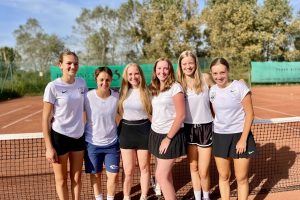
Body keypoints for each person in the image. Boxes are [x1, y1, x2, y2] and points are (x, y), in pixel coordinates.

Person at [209, 58, 256, 200]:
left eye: (222, 72)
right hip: (220, 137)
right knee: (224, 176)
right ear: (211, 74)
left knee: (241, 178)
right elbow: (214, 112)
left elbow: (250, 114)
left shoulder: (240, 87)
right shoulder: (212, 90)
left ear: (228, 71)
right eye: (215, 73)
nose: (219, 76)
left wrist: (242, 140)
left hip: (239, 136)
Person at [42, 50, 87, 200]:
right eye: (68, 63)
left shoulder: (82, 83)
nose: (72, 66)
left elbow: (89, 103)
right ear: (60, 65)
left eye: (75, 63)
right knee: (61, 180)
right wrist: (49, 147)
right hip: (59, 137)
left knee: (76, 179)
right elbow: (45, 119)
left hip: (78, 136)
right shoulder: (52, 87)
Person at [177, 50, 214, 200]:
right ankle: (198, 197)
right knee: (193, 167)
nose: (188, 66)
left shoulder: (206, 79)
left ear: (196, 63)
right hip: (188, 129)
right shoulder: (178, 84)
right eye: (184, 63)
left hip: (206, 128)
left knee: (204, 170)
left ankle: (206, 197)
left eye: (190, 63)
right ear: (180, 66)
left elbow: (218, 98)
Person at [148, 58, 186, 200]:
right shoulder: (153, 87)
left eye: (165, 68)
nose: (162, 72)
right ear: (155, 70)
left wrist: (168, 138)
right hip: (156, 134)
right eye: (159, 68)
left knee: (160, 175)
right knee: (167, 175)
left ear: (170, 70)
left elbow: (181, 115)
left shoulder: (176, 87)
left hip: (171, 136)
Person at [84, 67, 120, 200]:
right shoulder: (87, 97)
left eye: (107, 80)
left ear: (111, 80)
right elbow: (73, 110)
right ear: (96, 80)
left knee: (114, 175)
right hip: (92, 144)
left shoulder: (116, 96)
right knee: (96, 175)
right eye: (101, 80)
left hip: (112, 144)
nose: (104, 83)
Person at [118, 63, 152, 200]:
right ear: (126, 76)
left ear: (141, 74)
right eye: (130, 74)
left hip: (144, 131)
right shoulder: (121, 92)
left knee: (144, 167)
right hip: (126, 132)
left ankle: (143, 196)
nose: (133, 77)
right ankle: (126, 197)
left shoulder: (148, 92)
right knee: (128, 170)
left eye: (136, 73)